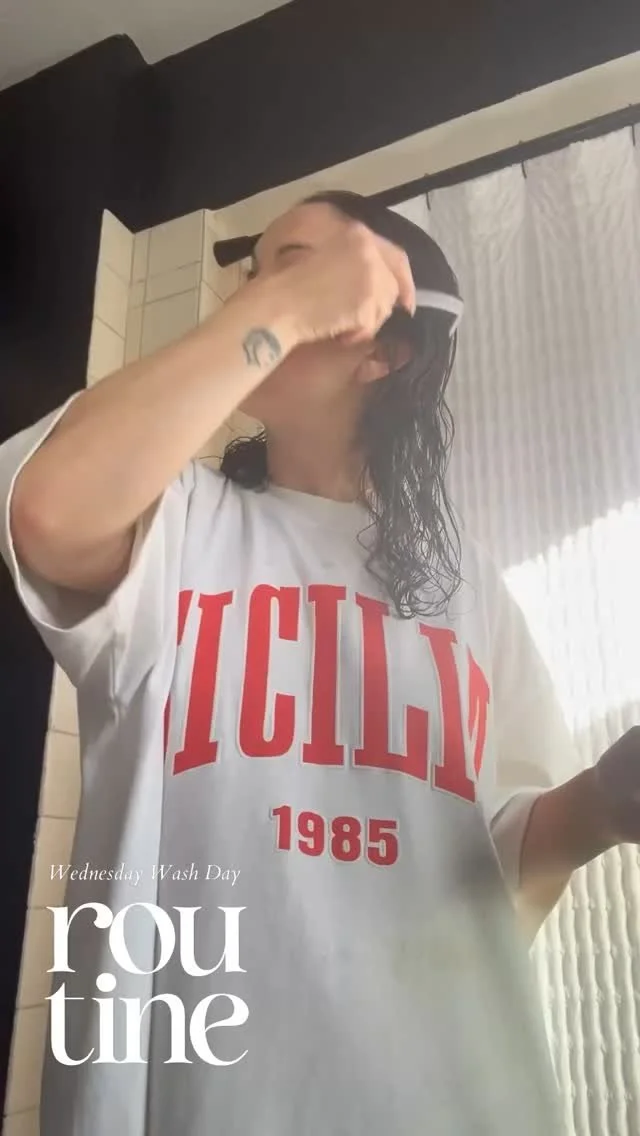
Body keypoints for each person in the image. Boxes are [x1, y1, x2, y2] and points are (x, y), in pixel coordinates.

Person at [0, 190, 638, 1136]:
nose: (250, 297)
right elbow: (48, 513)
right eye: (256, 277)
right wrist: (289, 303)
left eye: (291, 266)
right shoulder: (178, 520)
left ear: (384, 349)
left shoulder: (472, 594)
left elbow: (498, 877)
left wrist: (601, 807)